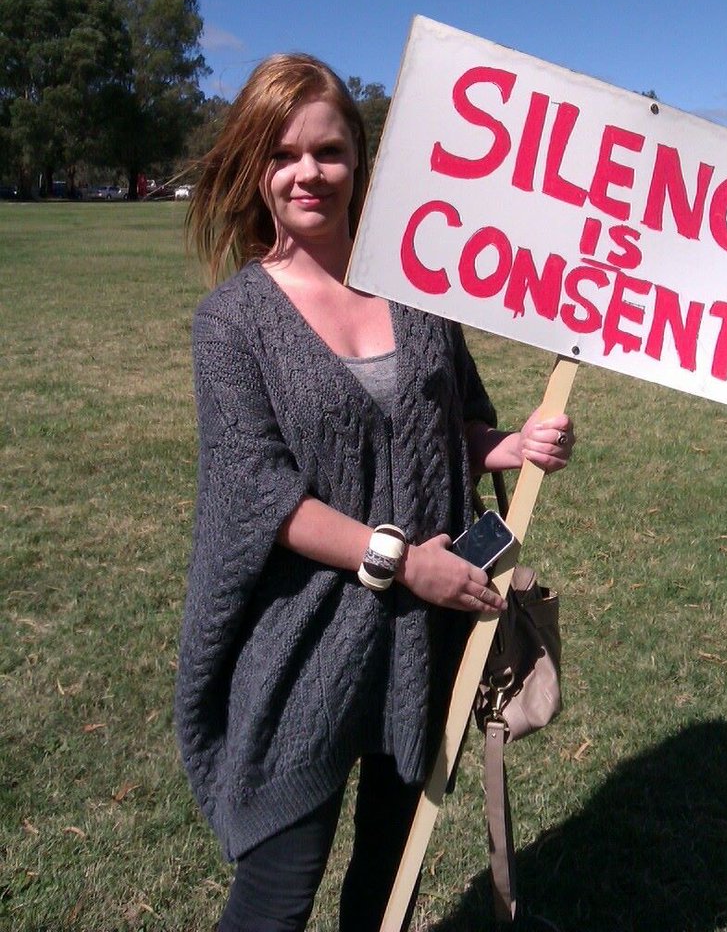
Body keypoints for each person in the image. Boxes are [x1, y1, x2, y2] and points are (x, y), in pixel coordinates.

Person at [175, 53, 574, 932]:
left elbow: (449, 421)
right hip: (301, 641)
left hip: (419, 645)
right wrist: (401, 562)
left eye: (329, 151)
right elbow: (258, 495)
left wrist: (511, 442)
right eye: (283, 154)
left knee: (389, 885)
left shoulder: (417, 286)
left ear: (362, 159)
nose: (308, 172)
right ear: (255, 167)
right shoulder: (233, 322)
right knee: (278, 892)